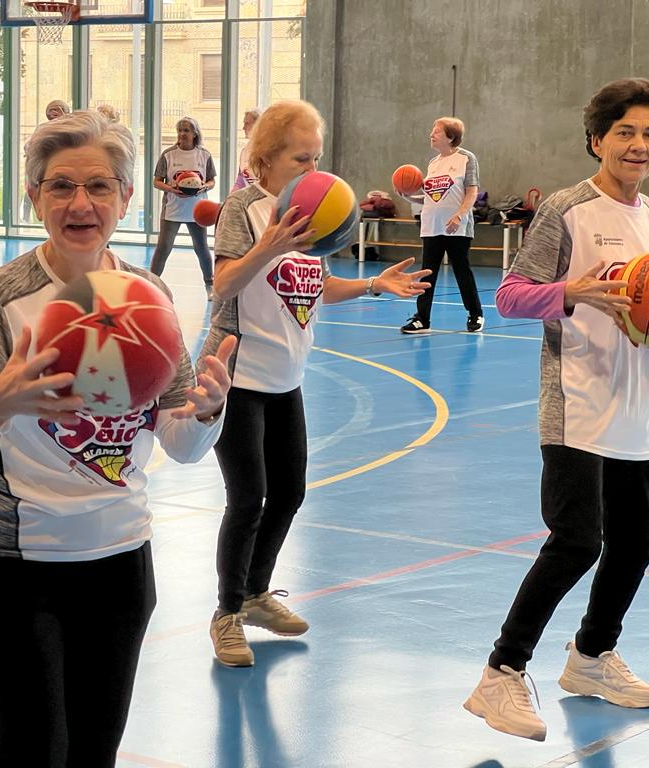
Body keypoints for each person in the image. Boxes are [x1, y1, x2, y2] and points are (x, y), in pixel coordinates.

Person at [0, 109, 236, 767]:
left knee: (93, 751)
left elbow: (179, 443)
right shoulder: (2, 298)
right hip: (5, 567)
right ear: (34, 197)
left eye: (98, 186)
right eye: (60, 186)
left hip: (118, 562)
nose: (80, 203)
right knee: (33, 748)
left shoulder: (146, 296)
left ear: (126, 196)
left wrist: (206, 412)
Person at [199, 100, 431, 668]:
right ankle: (227, 614)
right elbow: (223, 284)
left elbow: (317, 285)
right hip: (239, 378)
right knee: (247, 499)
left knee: (290, 493)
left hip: (286, 379)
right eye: (301, 158)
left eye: (317, 157)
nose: (311, 168)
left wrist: (374, 283)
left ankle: (256, 595)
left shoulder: (311, 218)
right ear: (265, 159)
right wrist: (269, 245)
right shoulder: (246, 209)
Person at [464, 78, 649, 742]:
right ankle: (500, 674)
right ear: (597, 139)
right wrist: (572, 292)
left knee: (637, 540)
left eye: (648, 135)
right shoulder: (569, 210)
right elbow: (512, 295)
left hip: (637, 405)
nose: (637, 145)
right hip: (576, 402)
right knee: (577, 540)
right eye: (625, 131)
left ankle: (592, 658)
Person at [397, 116, 484, 334]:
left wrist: (459, 215)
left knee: (462, 271)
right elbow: (431, 196)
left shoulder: (466, 159)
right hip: (431, 226)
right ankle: (422, 319)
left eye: (436, 131)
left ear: (451, 137)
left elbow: (472, 191)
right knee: (427, 273)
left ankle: (476, 314)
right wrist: (408, 197)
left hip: (457, 227)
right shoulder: (433, 163)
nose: (431, 134)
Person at [149, 116, 217, 298]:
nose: (182, 134)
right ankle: (150, 285)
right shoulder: (168, 154)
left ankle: (210, 285)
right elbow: (156, 182)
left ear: (195, 134)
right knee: (164, 247)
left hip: (197, 209)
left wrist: (204, 186)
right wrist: (171, 188)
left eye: (186, 130)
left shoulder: (204, 155)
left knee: (201, 247)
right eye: (180, 130)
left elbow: (211, 181)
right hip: (173, 208)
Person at [231, 108, 261, 192]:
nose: (243, 128)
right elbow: (241, 181)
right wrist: (230, 199)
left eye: (247, 123)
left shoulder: (269, 151)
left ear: (257, 125)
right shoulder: (245, 151)